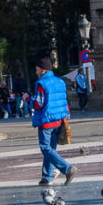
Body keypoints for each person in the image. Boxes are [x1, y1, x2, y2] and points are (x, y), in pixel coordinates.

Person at [32, 56, 75, 186]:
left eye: (37, 69)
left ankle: (67, 169)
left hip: (46, 120)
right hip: (58, 120)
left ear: (42, 70)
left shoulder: (41, 84)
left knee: (45, 148)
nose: (36, 72)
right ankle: (47, 177)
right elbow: (64, 101)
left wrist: (28, 99)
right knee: (51, 149)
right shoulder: (60, 81)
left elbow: (38, 104)